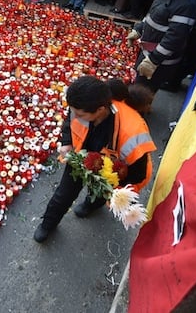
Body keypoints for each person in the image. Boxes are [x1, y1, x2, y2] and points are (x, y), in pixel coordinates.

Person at [33, 75, 157, 243]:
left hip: (111, 172)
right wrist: (67, 142)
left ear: (100, 110)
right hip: (80, 158)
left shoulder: (132, 132)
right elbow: (69, 120)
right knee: (63, 195)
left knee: (99, 195)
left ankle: (90, 205)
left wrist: (104, 179)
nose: (75, 115)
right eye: (74, 111)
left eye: (80, 114)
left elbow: (138, 174)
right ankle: (48, 224)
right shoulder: (82, 104)